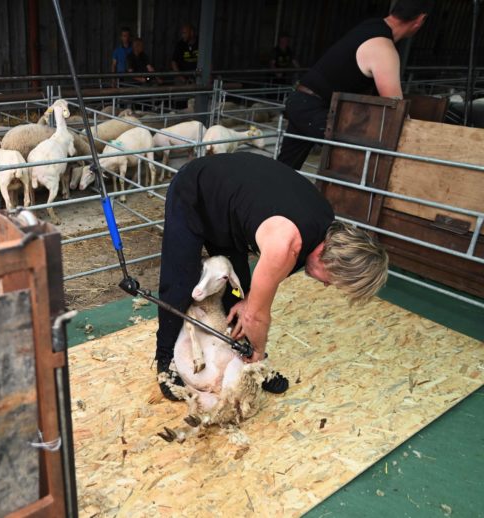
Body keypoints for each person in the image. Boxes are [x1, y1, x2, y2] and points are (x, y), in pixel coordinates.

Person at [155, 153, 389, 400]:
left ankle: (241, 359)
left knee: (240, 291)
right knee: (180, 282)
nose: (325, 284)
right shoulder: (287, 244)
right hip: (195, 191)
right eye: (331, 280)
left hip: (229, 210)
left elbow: (254, 304)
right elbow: (256, 316)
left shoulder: (323, 229)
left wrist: (250, 303)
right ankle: (165, 361)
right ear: (330, 259)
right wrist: (260, 350)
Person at [277, 0, 433, 170]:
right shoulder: (384, 49)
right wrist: (415, 138)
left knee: (286, 166)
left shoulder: (371, 25)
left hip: (301, 99)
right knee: (357, 152)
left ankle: (269, 191)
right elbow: (395, 106)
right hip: (314, 109)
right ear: (420, 19)